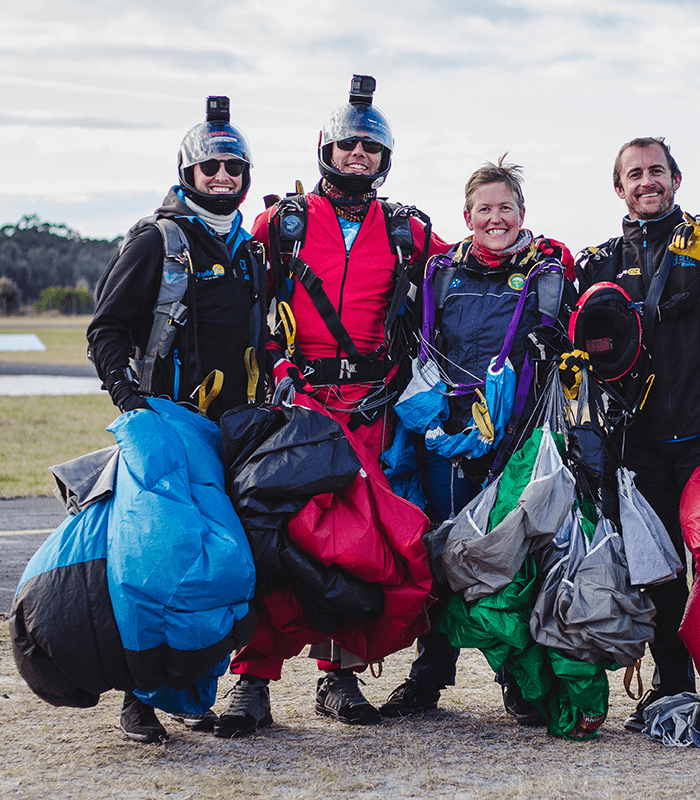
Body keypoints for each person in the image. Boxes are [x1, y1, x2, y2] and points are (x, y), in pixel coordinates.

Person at [213, 75, 448, 738]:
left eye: (370, 148)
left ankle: (337, 677)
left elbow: (463, 278)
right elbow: (233, 295)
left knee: (357, 551)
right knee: (278, 542)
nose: (358, 156)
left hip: (370, 413)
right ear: (326, 149)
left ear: (384, 159)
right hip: (298, 410)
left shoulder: (407, 231)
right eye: (347, 145)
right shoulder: (281, 224)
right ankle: (252, 683)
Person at [574, 137, 700, 743]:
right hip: (636, 443)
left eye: (656, 171)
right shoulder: (602, 258)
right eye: (634, 174)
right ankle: (672, 686)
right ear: (618, 188)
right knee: (659, 572)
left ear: (677, 178)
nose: (646, 182)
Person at [87, 95, 269, 743]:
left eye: (233, 167)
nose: (222, 177)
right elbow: (106, 329)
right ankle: (138, 699)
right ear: (188, 172)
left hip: (232, 436)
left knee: (221, 571)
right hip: (165, 427)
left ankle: (194, 694)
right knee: (150, 569)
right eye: (210, 166)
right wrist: (131, 405)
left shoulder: (249, 251)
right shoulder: (157, 241)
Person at [376, 156, 575, 725]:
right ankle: (429, 675)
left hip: (514, 436)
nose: (496, 218)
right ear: (466, 216)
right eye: (484, 209)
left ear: (521, 213)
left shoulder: (549, 270)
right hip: (448, 433)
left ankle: (515, 675)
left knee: (508, 555)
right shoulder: (440, 273)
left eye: (505, 208)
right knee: (441, 548)